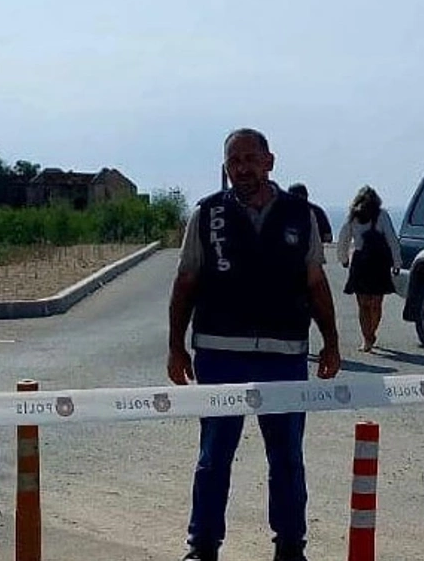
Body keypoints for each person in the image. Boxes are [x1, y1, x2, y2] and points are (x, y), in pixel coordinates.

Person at [168, 128, 341, 561]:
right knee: (214, 456)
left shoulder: (299, 214)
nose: (242, 168)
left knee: (287, 458)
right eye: (234, 161)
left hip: (284, 356)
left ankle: (290, 547)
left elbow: (315, 282)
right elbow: (186, 281)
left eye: (250, 159)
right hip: (220, 354)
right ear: (226, 168)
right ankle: (202, 546)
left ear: (269, 162)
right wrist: (175, 346)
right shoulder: (207, 214)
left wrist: (332, 342)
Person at [336, 185, 402, 353]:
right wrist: (397, 263)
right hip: (379, 263)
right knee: (376, 303)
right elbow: (392, 239)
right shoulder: (382, 215)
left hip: (361, 262)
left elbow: (343, 239)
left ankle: (367, 338)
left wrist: (343, 259)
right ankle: (370, 333)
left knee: (363, 304)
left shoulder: (353, 216)